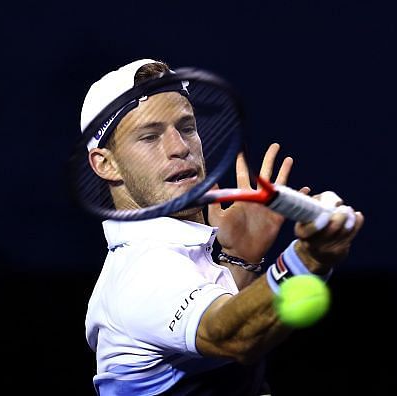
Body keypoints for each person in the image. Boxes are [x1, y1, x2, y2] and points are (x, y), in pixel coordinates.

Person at [82, 58, 364, 395]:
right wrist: (309, 257)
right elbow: (234, 336)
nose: (180, 147)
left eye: (186, 127)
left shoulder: (178, 257)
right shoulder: (143, 271)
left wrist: (239, 259)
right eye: (149, 136)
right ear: (106, 163)